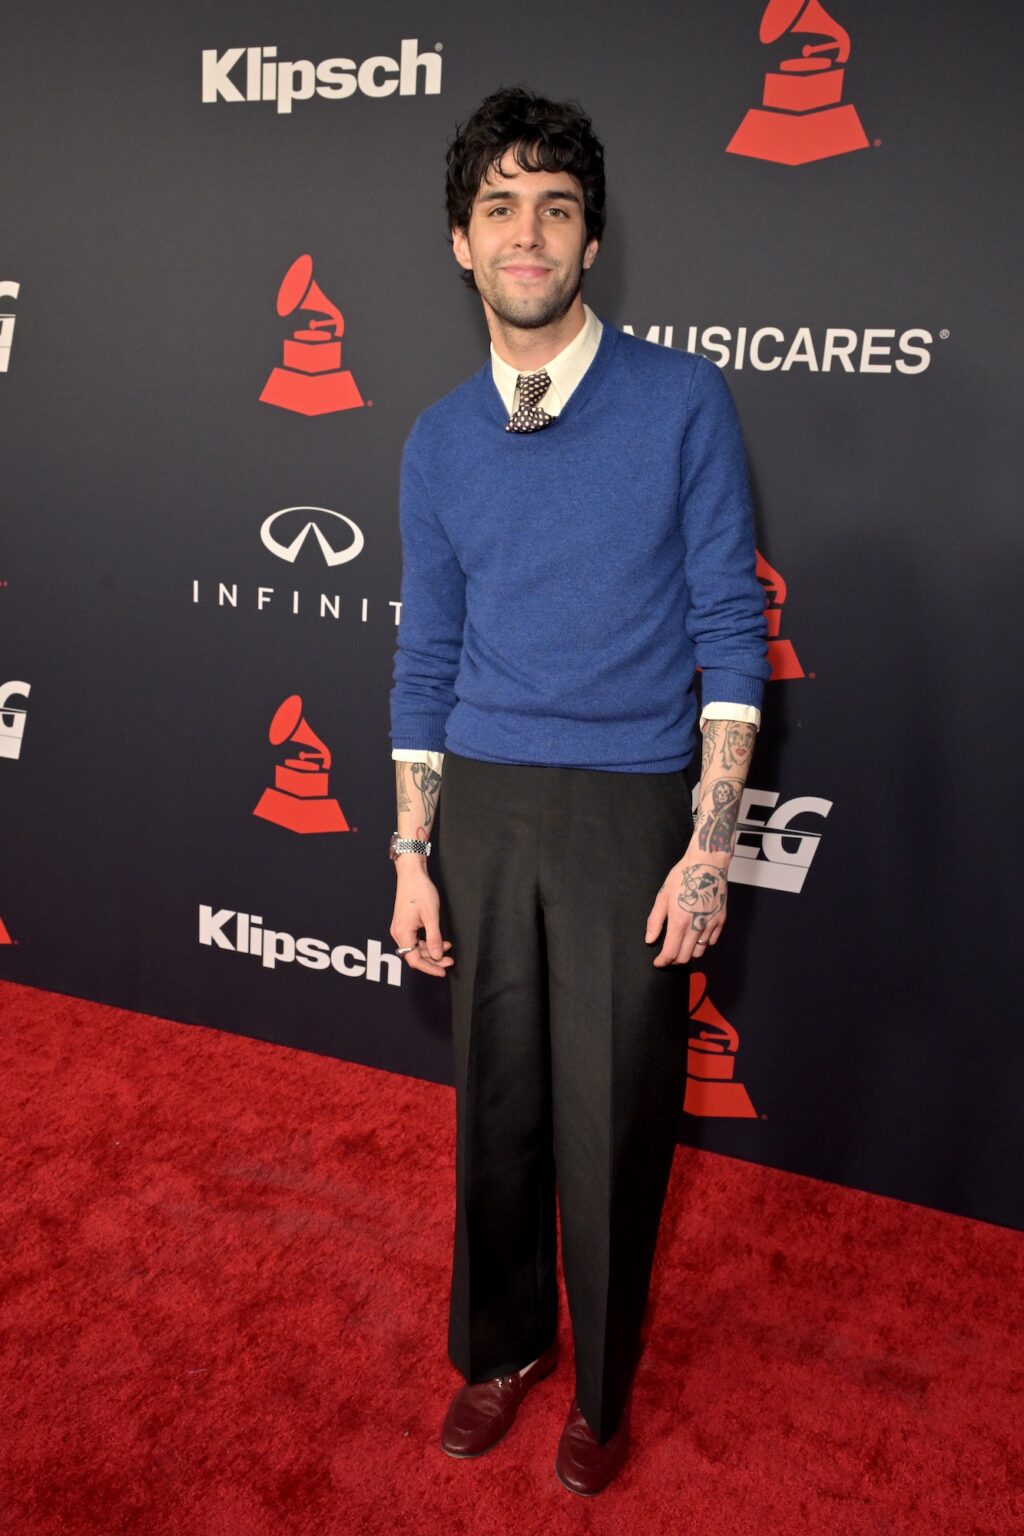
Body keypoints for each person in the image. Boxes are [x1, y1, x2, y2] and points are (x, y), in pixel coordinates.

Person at [388, 86, 768, 1496]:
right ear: (461, 241)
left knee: (614, 1121)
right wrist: (411, 852)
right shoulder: (437, 439)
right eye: (500, 208)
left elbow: (730, 628)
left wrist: (709, 846)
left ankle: (602, 1391)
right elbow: (426, 655)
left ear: (591, 240)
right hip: (484, 802)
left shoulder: (681, 400)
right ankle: (502, 1350)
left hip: (630, 804)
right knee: (497, 1107)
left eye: (556, 209)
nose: (528, 235)